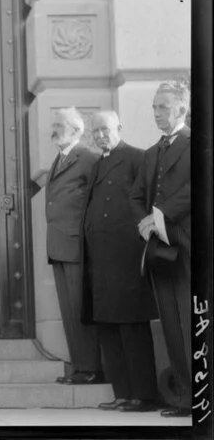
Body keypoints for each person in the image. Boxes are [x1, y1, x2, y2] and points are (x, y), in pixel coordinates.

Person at [82, 111, 158, 412]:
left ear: (119, 129)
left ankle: (145, 396)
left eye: (105, 129)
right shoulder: (98, 163)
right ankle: (123, 393)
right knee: (108, 326)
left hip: (126, 255)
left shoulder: (137, 157)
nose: (100, 135)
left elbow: (149, 201)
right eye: (96, 131)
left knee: (131, 325)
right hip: (99, 258)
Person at [129, 80, 191, 418]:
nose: (156, 114)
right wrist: (144, 222)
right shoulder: (151, 153)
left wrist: (161, 217)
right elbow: (137, 195)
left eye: (163, 108)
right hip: (158, 251)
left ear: (181, 109)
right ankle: (184, 398)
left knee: (193, 322)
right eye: (154, 108)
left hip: (189, 247)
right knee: (170, 323)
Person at [30, 107, 102, 384]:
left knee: (80, 308)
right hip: (59, 245)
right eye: (55, 124)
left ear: (76, 130)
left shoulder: (87, 158)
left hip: (77, 246)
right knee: (69, 310)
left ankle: (92, 368)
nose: (54, 129)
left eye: (59, 125)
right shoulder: (61, 158)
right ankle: (82, 365)